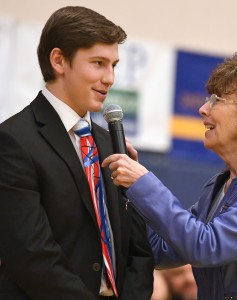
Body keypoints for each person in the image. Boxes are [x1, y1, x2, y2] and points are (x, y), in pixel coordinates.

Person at [102, 50, 237, 299]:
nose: (203, 109)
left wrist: (144, 182)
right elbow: (160, 250)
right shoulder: (218, 185)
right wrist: (133, 190)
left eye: (217, 100)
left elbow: (207, 246)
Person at [0, 6, 154, 300]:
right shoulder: (13, 141)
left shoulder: (112, 145)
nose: (109, 78)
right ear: (59, 60)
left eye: (114, 65)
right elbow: (31, 255)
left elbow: (138, 251)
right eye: (98, 63)